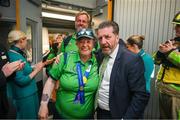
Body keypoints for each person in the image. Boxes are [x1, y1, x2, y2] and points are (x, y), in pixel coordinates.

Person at [38, 29, 100, 119]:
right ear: (76, 44)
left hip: (87, 117)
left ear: (93, 44)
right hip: (62, 115)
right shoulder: (65, 58)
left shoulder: (98, 61)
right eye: (81, 41)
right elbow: (51, 81)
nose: (85, 45)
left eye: (88, 41)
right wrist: (43, 105)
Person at [95, 21, 150, 119]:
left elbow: (141, 95)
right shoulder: (99, 55)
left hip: (120, 115)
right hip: (101, 113)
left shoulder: (131, 59)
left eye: (107, 37)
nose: (103, 42)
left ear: (117, 37)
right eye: (100, 38)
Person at [7, 30, 45, 119]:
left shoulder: (18, 54)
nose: (27, 42)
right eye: (26, 40)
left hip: (30, 93)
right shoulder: (13, 56)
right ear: (21, 40)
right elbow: (21, 80)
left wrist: (34, 67)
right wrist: (37, 70)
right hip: (25, 96)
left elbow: (24, 69)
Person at [154, 11, 180, 119]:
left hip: (176, 93)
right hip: (163, 89)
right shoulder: (172, 42)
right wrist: (160, 52)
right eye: (176, 25)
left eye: (179, 26)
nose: (176, 28)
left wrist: (169, 53)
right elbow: (155, 60)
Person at [0, 41, 24, 118]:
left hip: (3, 100)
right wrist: (3, 74)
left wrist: (13, 70)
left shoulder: (1, 47)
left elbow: (7, 72)